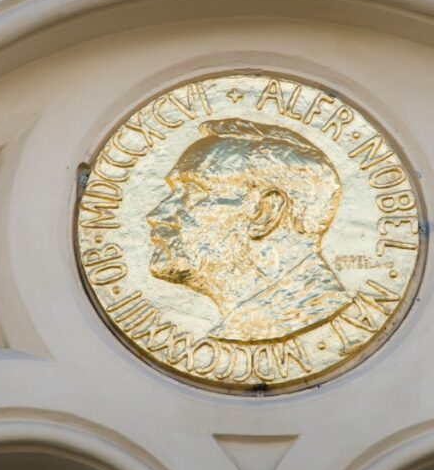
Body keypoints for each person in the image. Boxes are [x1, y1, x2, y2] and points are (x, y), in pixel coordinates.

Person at [146, 119, 352, 342]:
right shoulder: (250, 323)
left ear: (265, 212)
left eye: (193, 191)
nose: (156, 216)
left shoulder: (296, 315)